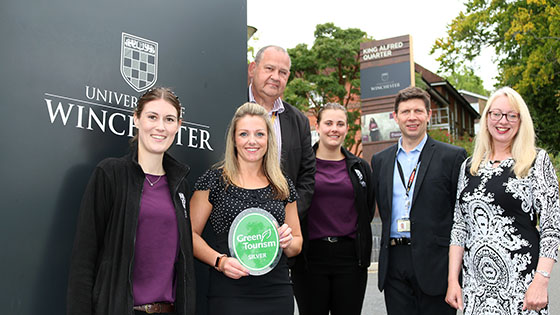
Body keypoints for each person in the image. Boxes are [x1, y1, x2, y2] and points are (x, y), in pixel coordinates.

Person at [67, 87, 196, 315]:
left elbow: (184, 270)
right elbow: (84, 260)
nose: (160, 127)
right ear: (136, 119)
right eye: (152, 117)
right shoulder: (110, 174)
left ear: (178, 126)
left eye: (169, 119)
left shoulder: (181, 185)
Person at [445, 87, 560, 314]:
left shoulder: (536, 161)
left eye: (511, 115)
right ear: (487, 117)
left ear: (520, 120)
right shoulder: (469, 166)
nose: (502, 121)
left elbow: (551, 226)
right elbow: (459, 227)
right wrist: (452, 281)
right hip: (476, 290)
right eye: (496, 114)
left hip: (521, 288)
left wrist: (541, 281)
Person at [189, 102, 302, 315]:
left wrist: (287, 242)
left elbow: (297, 243)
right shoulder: (214, 180)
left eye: (259, 134)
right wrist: (220, 262)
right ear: (233, 139)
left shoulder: (282, 184)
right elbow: (189, 234)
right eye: (244, 134)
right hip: (229, 293)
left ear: (269, 139)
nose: (252, 141)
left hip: (277, 292)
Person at [371, 86, 466, 315]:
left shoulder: (452, 157)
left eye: (418, 111)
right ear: (396, 117)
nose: (412, 117)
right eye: (405, 112)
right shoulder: (381, 161)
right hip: (394, 262)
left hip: (436, 263)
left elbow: (461, 215)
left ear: (429, 115)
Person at [295, 103, 374, 315]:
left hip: (350, 259)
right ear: (318, 126)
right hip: (310, 258)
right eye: (328, 123)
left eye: (340, 124)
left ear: (347, 128)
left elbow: (367, 207)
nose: (334, 129)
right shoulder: (302, 167)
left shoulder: (360, 168)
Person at [248, 45, 315, 219]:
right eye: (269, 68)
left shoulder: (299, 122)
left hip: (283, 229)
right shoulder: (230, 108)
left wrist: (288, 218)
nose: (275, 77)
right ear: (252, 69)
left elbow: (306, 177)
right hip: (235, 222)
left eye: (283, 72)